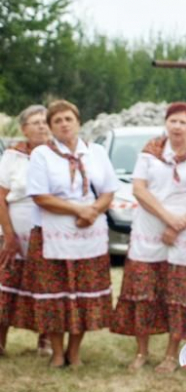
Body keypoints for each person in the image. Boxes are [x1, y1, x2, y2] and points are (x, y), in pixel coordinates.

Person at [111, 102, 186, 373]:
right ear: (166, 123)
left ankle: (171, 354)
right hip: (149, 229)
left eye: (183, 122)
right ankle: (141, 351)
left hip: (184, 231)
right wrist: (167, 218)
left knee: (178, 294)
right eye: (173, 121)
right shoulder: (150, 152)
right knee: (142, 290)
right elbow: (139, 189)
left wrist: (180, 224)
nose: (177, 127)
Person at [17, 100, 118, 368]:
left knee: (84, 293)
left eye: (68, 119)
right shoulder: (42, 154)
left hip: (89, 235)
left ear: (78, 121)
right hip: (53, 234)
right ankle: (57, 351)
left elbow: (108, 190)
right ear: (51, 127)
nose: (64, 124)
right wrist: (77, 210)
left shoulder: (95, 152)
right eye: (57, 121)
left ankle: (75, 351)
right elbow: (40, 195)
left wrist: (93, 210)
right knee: (55, 294)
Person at [0, 105, 51, 357]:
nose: (42, 126)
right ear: (24, 129)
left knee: (46, 284)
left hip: (49, 232)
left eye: (45, 121)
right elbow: (1, 195)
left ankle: (45, 340)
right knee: (6, 284)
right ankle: (0, 341)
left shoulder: (58, 154)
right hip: (15, 229)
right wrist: (8, 235)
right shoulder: (13, 155)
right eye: (35, 122)